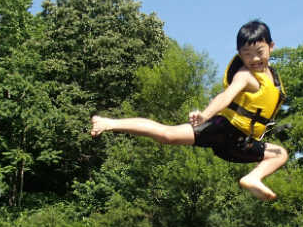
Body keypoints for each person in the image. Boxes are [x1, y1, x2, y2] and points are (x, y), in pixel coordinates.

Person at [91, 20, 288, 201]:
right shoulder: (246, 76)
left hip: (241, 144)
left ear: (271, 46)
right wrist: (205, 115)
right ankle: (110, 123)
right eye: (247, 54)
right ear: (239, 54)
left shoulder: (274, 79)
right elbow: (225, 97)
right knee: (168, 135)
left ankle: (254, 178)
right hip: (224, 129)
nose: (254, 59)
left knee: (280, 154)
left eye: (259, 52)